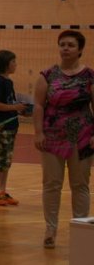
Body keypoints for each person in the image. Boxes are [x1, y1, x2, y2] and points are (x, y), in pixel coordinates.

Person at [33, 30, 94, 250]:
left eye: (70, 45)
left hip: (82, 137)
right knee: (51, 184)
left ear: (80, 49)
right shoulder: (47, 75)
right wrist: (38, 132)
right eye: (62, 44)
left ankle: (81, 231)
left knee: (80, 185)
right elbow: (38, 105)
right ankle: (50, 229)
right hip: (52, 137)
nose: (65, 48)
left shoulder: (90, 76)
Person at [0, 49, 27, 206]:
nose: (16, 64)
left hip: (11, 125)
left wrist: (21, 109)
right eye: (13, 61)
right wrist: (15, 107)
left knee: (7, 161)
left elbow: (9, 103)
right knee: (1, 160)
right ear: (6, 64)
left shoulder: (8, 82)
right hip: (1, 127)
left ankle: (1, 192)